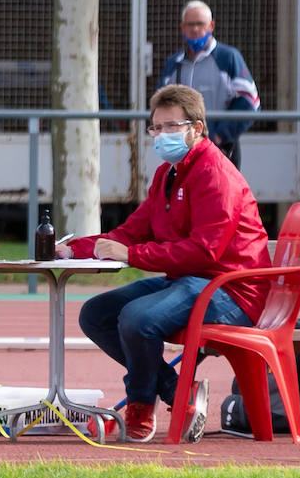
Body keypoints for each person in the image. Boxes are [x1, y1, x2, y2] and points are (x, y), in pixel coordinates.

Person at [59, 84, 270, 443]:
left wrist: (132, 256)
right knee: (95, 314)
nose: (161, 135)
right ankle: (176, 391)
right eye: (156, 128)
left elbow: (205, 252)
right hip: (190, 281)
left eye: (172, 127)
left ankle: (141, 405)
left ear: (197, 129)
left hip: (231, 291)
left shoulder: (215, 174)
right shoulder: (167, 174)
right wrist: (73, 249)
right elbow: (133, 231)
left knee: (138, 319)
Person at [159, 0, 260, 169]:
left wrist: (220, 135)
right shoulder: (174, 63)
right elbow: (161, 103)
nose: (195, 29)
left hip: (220, 151)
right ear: (182, 28)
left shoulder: (228, 58)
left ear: (211, 26)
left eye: (200, 24)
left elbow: (250, 102)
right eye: (190, 25)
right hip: (181, 152)